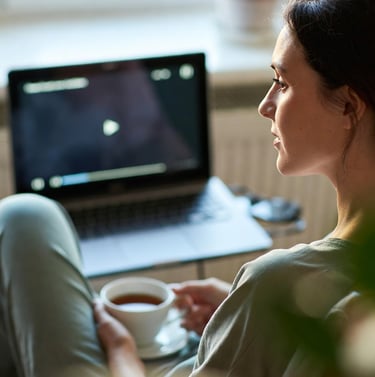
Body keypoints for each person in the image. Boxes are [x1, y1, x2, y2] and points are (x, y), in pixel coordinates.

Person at [1, 0, 375, 376]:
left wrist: (123, 355)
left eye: (282, 82)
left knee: (25, 216)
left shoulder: (275, 280)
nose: (266, 105)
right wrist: (240, 311)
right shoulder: (314, 294)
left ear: (348, 106)